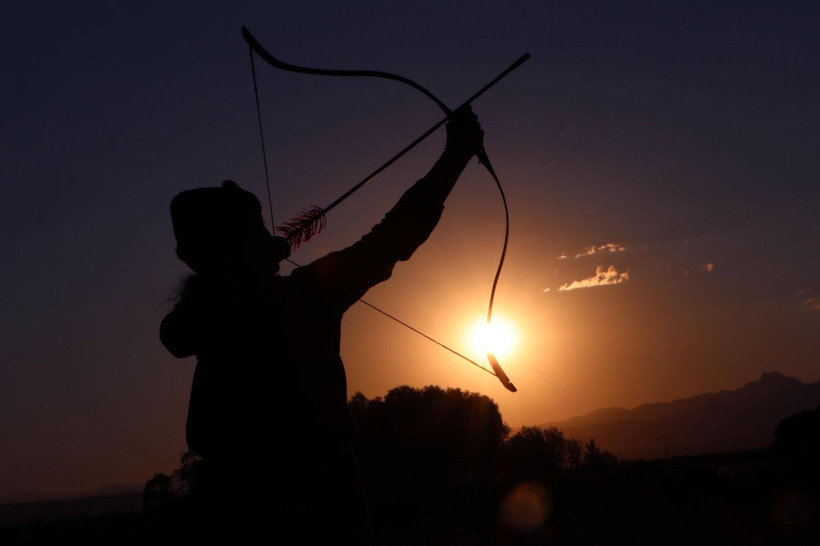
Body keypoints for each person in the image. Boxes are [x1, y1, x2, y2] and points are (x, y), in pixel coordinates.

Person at [160, 108, 484, 544]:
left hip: (266, 496)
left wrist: (453, 158)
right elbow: (390, 239)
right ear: (232, 250)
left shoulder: (229, 309)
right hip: (291, 500)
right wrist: (456, 155)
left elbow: (391, 239)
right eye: (254, 230)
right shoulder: (273, 303)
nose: (269, 235)